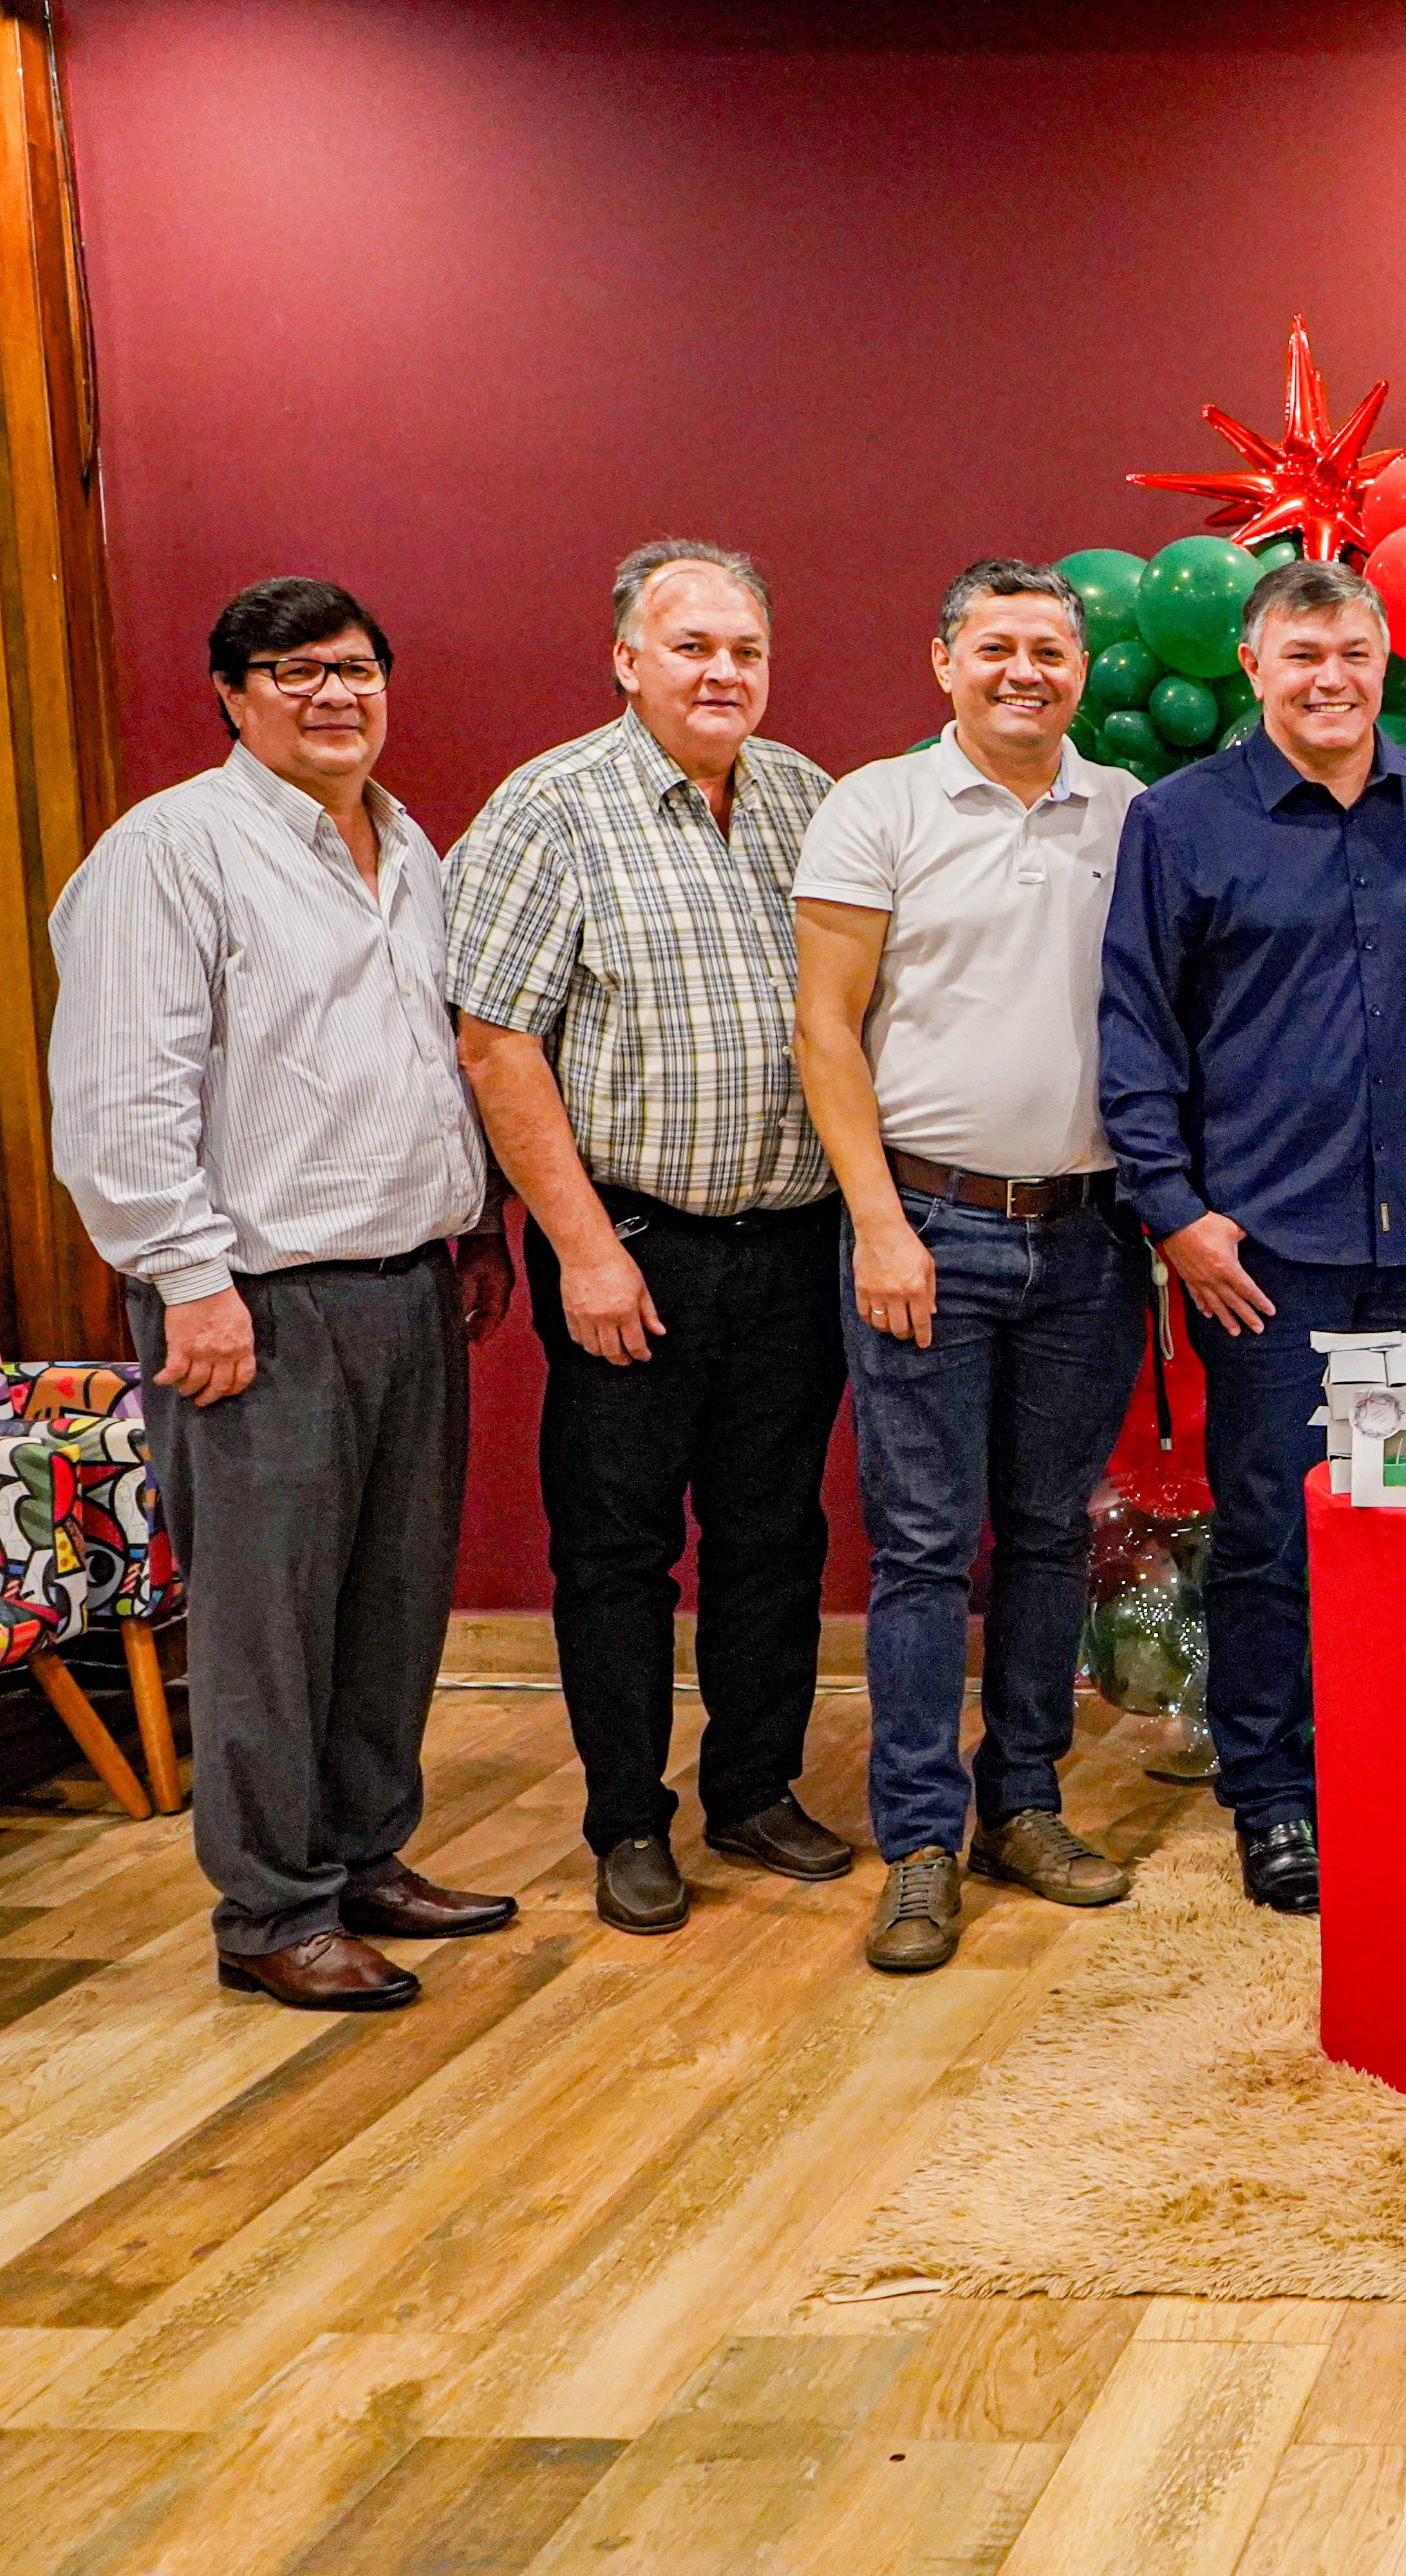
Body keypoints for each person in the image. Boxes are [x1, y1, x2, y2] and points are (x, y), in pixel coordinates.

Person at [48, 578, 519, 2009]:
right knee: (266, 1619)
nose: (334, 694)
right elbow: (120, 1095)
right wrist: (188, 1279)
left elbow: (432, 1057)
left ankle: (365, 1851)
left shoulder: (405, 844)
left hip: (405, 1282)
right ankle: (269, 1909)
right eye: (294, 670)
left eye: (358, 668)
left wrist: (476, 1218)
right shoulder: (171, 854)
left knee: (389, 1601)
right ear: (232, 692)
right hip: (252, 1302)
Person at [451, 540, 852, 1936]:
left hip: (794, 1240)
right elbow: (496, 1043)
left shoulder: (808, 798)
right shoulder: (550, 809)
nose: (722, 671)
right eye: (690, 646)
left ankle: (753, 1786)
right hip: (632, 1239)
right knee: (617, 1547)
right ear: (627, 658)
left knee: (773, 1532)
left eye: (743, 646)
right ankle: (629, 1816)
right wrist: (584, 1248)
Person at [1102, 557, 1406, 1917]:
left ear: (1386, 663)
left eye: (1353, 653)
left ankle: (1388, 1769)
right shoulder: (1182, 822)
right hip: (1260, 1253)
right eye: (1301, 656)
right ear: (1258, 670)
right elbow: (1137, 1029)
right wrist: (1175, 1215)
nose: (1330, 679)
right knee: (1274, 1533)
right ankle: (1275, 1794)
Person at [791, 562, 1147, 1975]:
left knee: (1052, 1532)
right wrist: (877, 1221)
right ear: (942, 660)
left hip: (1092, 1232)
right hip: (928, 1227)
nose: (1025, 670)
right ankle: (922, 1843)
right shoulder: (877, 806)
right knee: (930, 1545)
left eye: (1049, 649)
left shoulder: (1126, 812)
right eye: (994, 646)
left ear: (1080, 666)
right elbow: (827, 1028)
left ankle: (1027, 1804)